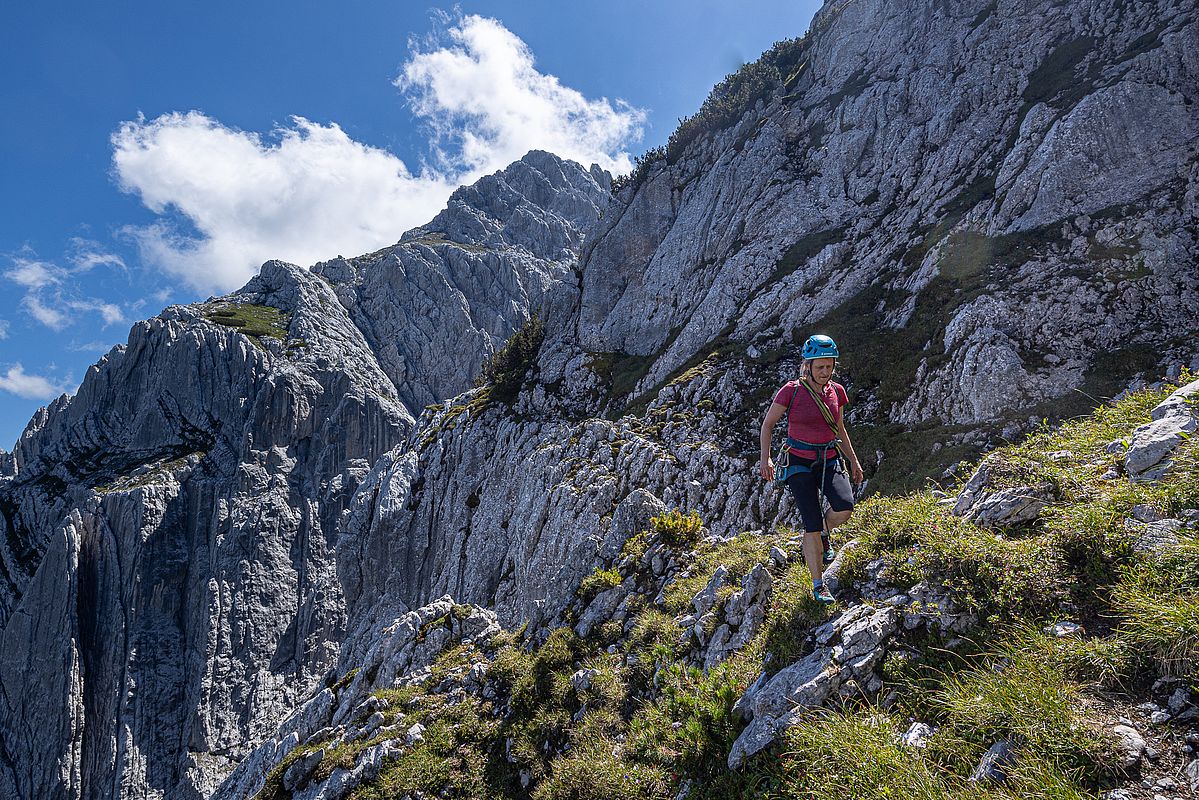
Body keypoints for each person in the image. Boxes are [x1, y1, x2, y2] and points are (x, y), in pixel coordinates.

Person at [758, 334, 864, 604]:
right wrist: (765, 458)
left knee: (844, 506)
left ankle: (824, 534)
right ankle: (819, 585)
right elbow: (768, 425)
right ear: (808, 365)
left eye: (829, 366)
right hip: (799, 462)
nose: (825, 372)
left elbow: (839, 428)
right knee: (811, 523)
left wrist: (853, 460)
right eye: (820, 367)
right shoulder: (791, 391)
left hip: (829, 458)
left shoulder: (837, 392)